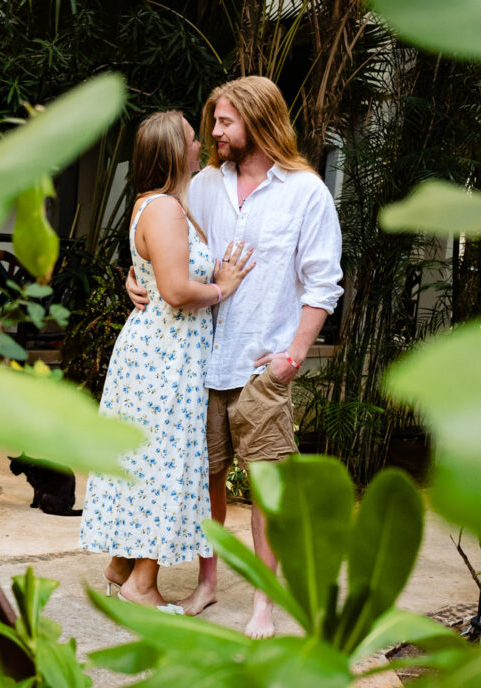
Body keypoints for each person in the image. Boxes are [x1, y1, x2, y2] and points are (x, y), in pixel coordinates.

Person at [127, 76, 344, 637]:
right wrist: (135, 275)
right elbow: (167, 244)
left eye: (224, 121)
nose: (215, 131)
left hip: (261, 368)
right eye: (214, 122)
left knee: (266, 493)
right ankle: (206, 584)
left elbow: (323, 283)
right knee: (209, 484)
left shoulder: (306, 192)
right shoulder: (202, 185)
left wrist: (292, 356)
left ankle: (264, 606)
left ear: (258, 121)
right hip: (201, 363)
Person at [79, 111, 256, 611]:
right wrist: (224, 286)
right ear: (176, 151)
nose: (200, 142)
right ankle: (142, 584)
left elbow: (154, 275)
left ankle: (120, 565)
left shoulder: (161, 205)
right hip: (167, 356)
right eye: (191, 137)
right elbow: (177, 290)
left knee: (145, 459)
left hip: (160, 351)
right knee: (164, 464)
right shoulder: (164, 210)